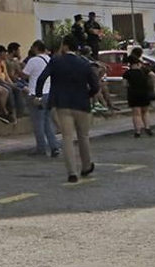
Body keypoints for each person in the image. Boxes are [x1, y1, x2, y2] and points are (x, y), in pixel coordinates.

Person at [37, 38, 100, 183]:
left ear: (65, 46)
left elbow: (42, 78)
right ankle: (86, 165)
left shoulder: (56, 61)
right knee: (83, 136)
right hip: (82, 104)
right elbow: (95, 86)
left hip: (62, 104)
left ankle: (72, 172)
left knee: (67, 138)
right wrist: (87, 95)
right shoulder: (84, 63)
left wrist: (39, 95)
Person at [22, 41, 59, 158]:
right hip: (49, 93)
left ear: (37, 48)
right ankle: (54, 146)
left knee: (38, 123)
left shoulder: (33, 60)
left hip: (36, 93)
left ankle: (41, 148)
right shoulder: (49, 59)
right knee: (48, 121)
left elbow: (24, 75)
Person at [123, 47, 155, 137]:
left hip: (133, 94)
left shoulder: (127, 73)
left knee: (136, 114)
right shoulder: (144, 70)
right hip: (144, 92)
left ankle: (138, 131)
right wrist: (151, 86)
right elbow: (153, 75)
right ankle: (148, 127)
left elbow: (125, 84)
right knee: (145, 112)